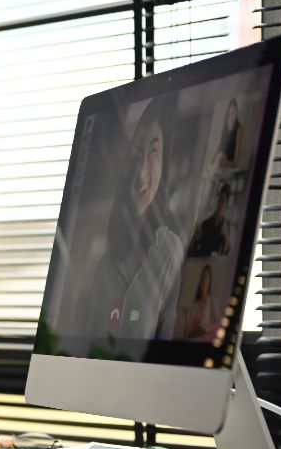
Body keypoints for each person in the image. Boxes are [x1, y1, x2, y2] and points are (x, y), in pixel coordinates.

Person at [84, 96, 185, 342]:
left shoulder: (170, 252)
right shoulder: (104, 268)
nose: (141, 173)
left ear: (164, 161)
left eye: (153, 151)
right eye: (136, 153)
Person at [177, 263, 221, 340]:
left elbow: (218, 324)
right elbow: (189, 327)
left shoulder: (212, 302)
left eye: (205, 277)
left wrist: (204, 330)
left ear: (210, 281)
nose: (203, 281)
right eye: (201, 278)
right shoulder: (195, 304)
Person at [189, 184, 232, 257]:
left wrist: (226, 235)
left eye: (222, 201)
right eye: (219, 200)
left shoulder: (226, 226)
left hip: (213, 262)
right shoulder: (206, 223)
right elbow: (192, 249)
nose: (220, 204)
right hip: (199, 259)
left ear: (226, 204)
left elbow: (226, 252)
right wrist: (195, 238)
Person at [216, 98, 244, 168]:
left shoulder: (239, 128)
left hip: (229, 165)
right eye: (230, 113)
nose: (231, 117)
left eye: (233, 113)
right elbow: (220, 143)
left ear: (236, 113)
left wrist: (226, 163)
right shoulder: (225, 126)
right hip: (219, 163)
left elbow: (236, 161)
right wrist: (212, 161)